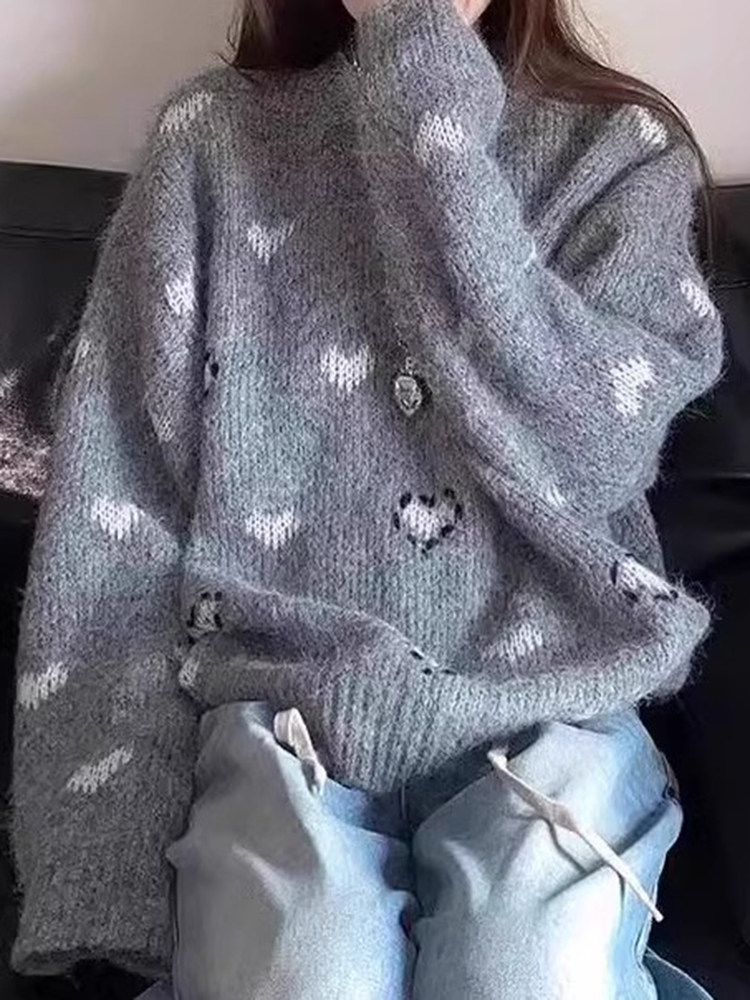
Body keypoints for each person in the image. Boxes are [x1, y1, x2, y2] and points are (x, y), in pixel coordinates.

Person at [11, 0, 723, 995]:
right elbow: (115, 513)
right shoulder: (211, 143)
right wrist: (99, 868)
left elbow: (590, 456)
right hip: (282, 714)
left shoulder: (622, 153)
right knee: (306, 969)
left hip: (557, 709)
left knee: (525, 969)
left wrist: (425, 97)